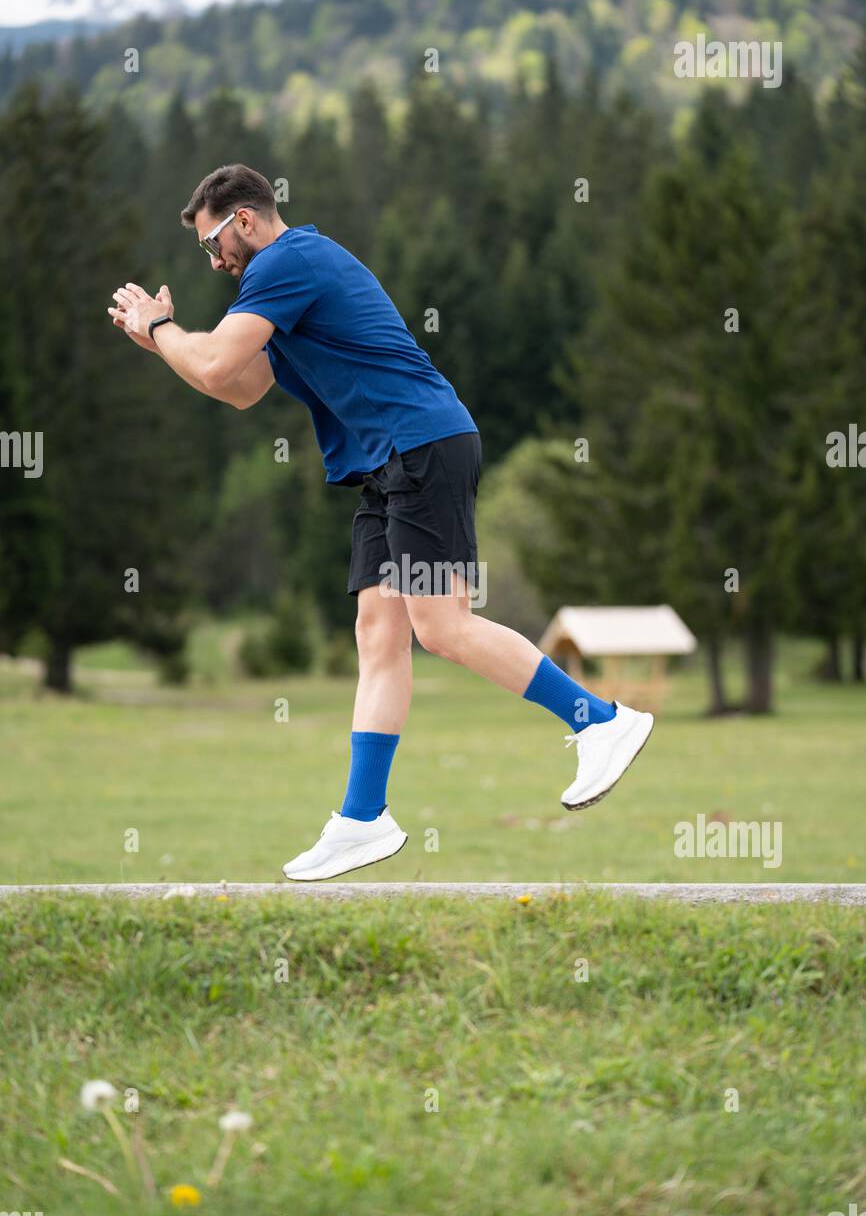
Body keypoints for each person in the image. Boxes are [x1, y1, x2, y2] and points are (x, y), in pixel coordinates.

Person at [108, 163, 653, 882]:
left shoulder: (287, 261)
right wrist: (159, 342)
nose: (212, 261)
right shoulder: (277, 287)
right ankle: (363, 819)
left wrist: (163, 326)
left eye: (212, 244)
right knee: (378, 634)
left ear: (244, 220)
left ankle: (602, 721)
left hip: (422, 445)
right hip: (383, 465)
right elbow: (238, 387)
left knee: (443, 626)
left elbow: (211, 365)